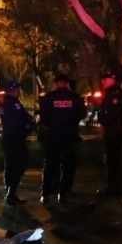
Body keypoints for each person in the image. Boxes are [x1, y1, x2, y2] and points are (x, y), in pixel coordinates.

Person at [37, 73, 86, 204]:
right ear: (67, 83)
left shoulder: (48, 98)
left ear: (56, 83)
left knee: (50, 165)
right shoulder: (75, 97)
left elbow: (44, 118)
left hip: (53, 137)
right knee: (68, 166)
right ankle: (64, 193)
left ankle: (46, 193)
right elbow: (82, 114)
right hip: (69, 137)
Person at [0, 80, 34, 204]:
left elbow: (23, 116)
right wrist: (28, 126)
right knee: (18, 164)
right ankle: (11, 192)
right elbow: (17, 120)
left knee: (11, 165)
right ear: (13, 90)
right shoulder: (11, 103)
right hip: (14, 138)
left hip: (10, 138)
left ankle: (10, 191)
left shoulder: (9, 102)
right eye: (17, 89)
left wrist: (29, 120)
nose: (19, 91)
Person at [98, 71, 122, 195]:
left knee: (113, 160)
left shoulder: (116, 94)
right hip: (111, 131)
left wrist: (102, 120)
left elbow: (113, 114)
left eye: (105, 79)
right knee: (111, 160)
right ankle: (112, 186)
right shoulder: (110, 93)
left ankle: (114, 187)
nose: (102, 82)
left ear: (112, 80)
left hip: (114, 131)